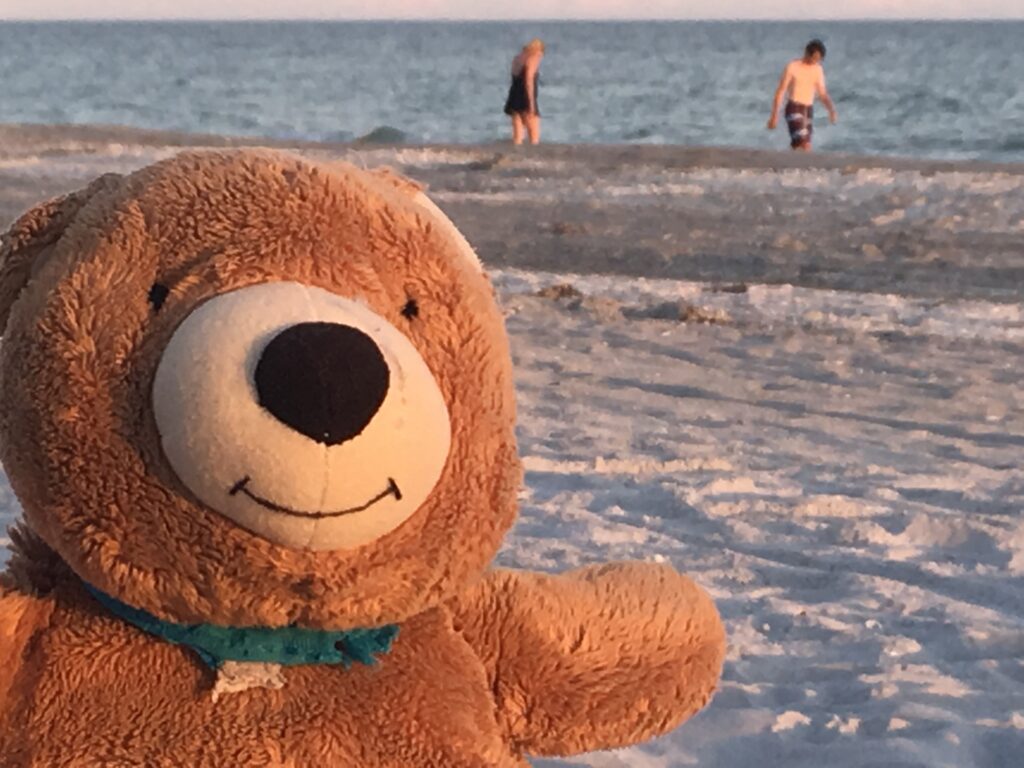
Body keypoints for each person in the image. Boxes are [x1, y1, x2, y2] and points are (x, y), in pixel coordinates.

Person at [767, 39, 838, 151]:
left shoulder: (817, 70)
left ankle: (791, 165)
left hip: (808, 110)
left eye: (818, 59)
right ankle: (800, 165)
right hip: (793, 108)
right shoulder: (793, 67)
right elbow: (781, 91)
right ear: (807, 53)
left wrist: (831, 110)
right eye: (814, 58)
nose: (815, 61)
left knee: (799, 144)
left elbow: (823, 93)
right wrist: (774, 115)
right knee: (804, 144)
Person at [504, 39, 545, 145]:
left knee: (517, 135)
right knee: (534, 131)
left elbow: (514, 77)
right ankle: (533, 158)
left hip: (514, 94)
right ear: (538, 50)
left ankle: (517, 157)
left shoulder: (517, 59)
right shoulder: (534, 58)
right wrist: (531, 103)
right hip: (525, 95)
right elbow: (529, 79)